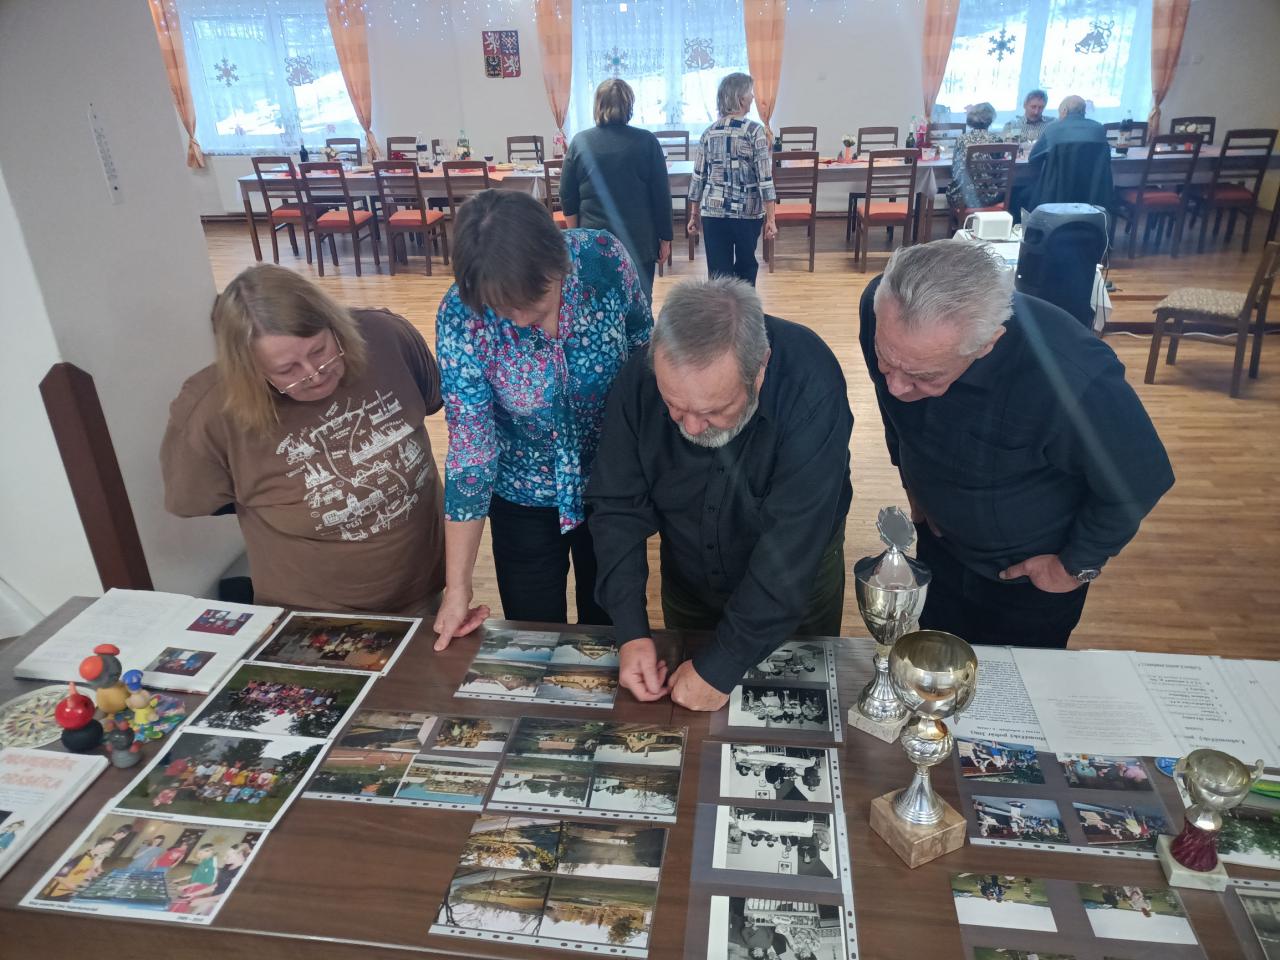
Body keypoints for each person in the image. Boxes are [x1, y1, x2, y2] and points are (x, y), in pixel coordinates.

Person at [859, 241, 1173, 648]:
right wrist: (912, 483)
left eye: (924, 376)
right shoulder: (884, 311)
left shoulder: (1072, 378)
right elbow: (895, 413)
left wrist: (1075, 566)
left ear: (987, 343)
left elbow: (1141, 479)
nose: (897, 387)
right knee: (936, 658)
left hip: (1025, 582)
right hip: (939, 550)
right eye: (886, 360)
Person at [588, 277, 852, 710]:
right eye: (675, 407)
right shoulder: (640, 377)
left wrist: (723, 663)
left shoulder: (812, 382)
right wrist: (631, 631)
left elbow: (792, 543)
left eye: (714, 411)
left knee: (798, 707)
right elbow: (617, 507)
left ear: (760, 368)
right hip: (690, 577)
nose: (691, 427)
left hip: (795, 587)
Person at [432, 190, 651, 649]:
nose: (520, 320)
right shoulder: (461, 316)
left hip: (611, 487)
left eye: (533, 302)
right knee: (533, 637)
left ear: (559, 263)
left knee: (611, 629)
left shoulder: (604, 257)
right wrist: (458, 588)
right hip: (521, 496)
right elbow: (471, 450)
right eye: (502, 309)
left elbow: (643, 347)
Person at [162, 265, 445, 615]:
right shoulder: (209, 410)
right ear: (249, 370)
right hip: (310, 612)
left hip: (423, 587)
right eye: (287, 370)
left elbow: (432, 400)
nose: (314, 374)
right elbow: (193, 499)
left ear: (336, 326)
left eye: (319, 351)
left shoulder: (387, 335)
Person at [559, 78, 673, 300]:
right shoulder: (647, 141)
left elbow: (567, 195)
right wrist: (665, 238)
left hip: (593, 242)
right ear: (629, 105)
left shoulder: (580, 142)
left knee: (597, 304)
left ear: (597, 105)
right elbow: (661, 195)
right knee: (639, 301)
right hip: (639, 242)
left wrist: (577, 234)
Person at [686, 73, 777, 286]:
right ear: (740, 98)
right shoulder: (755, 131)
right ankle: (745, 308)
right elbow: (765, 178)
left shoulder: (708, 133)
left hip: (714, 214)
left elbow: (698, 178)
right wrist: (771, 219)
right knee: (746, 270)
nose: (753, 97)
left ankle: (721, 309)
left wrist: (694, 215)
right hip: (747, 214)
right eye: (750, 93)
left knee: (718, 276)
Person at [1024, 95, 1113, 211]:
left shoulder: (1053, 129)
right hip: (1092, 197)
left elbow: (1033, 159)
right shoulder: (1099, 129)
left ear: (1065, 110)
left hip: (1056, 197)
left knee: (1022, 194)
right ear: (1084, 111)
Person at [946, 102, 1009, 212]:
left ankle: (962, 220)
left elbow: (955, 171)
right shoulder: (997, 140)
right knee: (1012, 190)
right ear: (990, 120)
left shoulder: (961, 140)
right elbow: (999, 172)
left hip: (962, 198)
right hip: (990, 198)